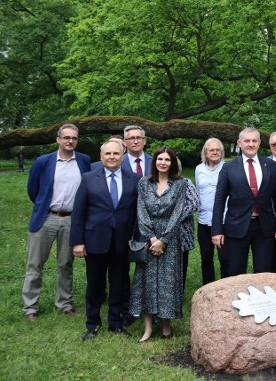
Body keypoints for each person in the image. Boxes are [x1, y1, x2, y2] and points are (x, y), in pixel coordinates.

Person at [71, 139, 140, 340]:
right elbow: (78, 212)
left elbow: (137, 211)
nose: (112, 157)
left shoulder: (133, 179)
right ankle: (92, 323)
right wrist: (78, 241)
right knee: (95, 284)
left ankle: (115, 322)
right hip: (95, 240)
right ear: (101, 157)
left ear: (122, 156)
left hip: (122, 241)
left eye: (116, 154)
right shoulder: (88, 178)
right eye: (107, 154)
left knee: (119, 283)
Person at [23, 124, 92, 321]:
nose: (70, 141)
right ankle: (30, 307)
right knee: (35, 263)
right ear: (58, 139)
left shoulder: (84, 161)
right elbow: (33, 190)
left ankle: (64, 303)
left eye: (74, 138)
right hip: (46, 218)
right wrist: (43, 206)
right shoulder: (43, 162)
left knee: (66, 264)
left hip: (72, 219)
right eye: (67, 137)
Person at [130, 147, 190, 342]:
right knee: (146, 280)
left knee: (168, 282)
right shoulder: (143, 183)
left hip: (170, 239)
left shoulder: (181, 184)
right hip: (148, 237)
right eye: (160, 159)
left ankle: (166, 325)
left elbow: (178, 212)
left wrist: (163, 239)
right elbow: (141, 211)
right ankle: (147, 327)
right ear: (154, 161)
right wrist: (152, 239)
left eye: (167, 159)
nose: (163, 162)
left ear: (172, 163)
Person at [212, 128, 276, 275]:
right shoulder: (229, 167)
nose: (250, 144)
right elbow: (219, 201)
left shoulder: (270, 166)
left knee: (264, 271)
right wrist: (217, 230)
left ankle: (264, 298)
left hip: (264, 227)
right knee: (236, 271)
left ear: (259, 143)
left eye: (254, 141)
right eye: (247, 141)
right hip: (237, 227)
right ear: (239, 143)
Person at [195, 138, 228, 283]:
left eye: (218, 150)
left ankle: (226, 287)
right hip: (204, 219)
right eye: (211, 150)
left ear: (221, 152)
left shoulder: (227, 168)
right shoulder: (198, 169)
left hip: (223, 220)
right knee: (206, 257)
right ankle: (208, 288)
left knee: (225, 258)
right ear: (206, 152)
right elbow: (198, 191)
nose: (215, 152)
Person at [177, 157, 199, 293]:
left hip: (182, 233)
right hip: (160, 235)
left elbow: (193, 204)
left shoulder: (186, 183)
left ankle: (178, 293)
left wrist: (173, 218)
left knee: (181, 264)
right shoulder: (157, 183)